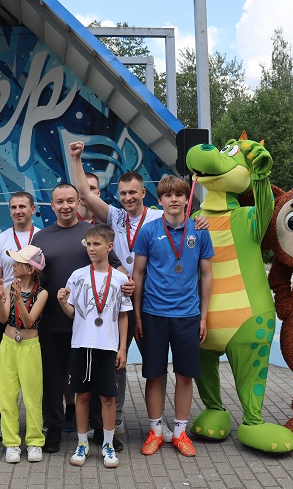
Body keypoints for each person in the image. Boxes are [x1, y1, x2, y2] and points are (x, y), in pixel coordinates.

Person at [69, 140, 210, 441]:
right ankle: (115, 421)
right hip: (116, 300)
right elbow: (84, 193)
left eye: (133, 192)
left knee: (155, 367)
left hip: (151, 302)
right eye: (123, 193)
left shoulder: (158, 218)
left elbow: (186, 222)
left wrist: (201, 219)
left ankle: (165, 425)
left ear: (144, 193)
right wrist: (76, 159)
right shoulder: (115, 216)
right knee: (114, 361)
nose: (128, 198)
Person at [31, 183, 130, 454]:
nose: (65, 206)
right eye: (59, 201)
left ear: (78, 203)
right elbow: (32, 274)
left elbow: (115, 264)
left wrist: (128, 281)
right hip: (53, 319)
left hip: (89, 326)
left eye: (70, 201)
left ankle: (100, 429)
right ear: (52, 205)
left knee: (94, 379)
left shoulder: (91, 233)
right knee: (52, 379)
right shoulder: (40, 237)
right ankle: (53, 427)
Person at [132, 175, 214, 458]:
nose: (174, 199)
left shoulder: (199, 231)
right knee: (154, 374)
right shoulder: (149, 231)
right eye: (168, 195)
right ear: (160, 200)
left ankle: (180, 432)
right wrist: (138, 316)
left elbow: (207, 275)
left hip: (188, 315)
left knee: (185, 375)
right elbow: (138, 274)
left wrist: (203, 317)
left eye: (179, 194)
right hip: (153, 314)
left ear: (186, 199)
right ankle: (155, 430)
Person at [58, 225, 131, 468]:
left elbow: (123, 315)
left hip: (108, 346)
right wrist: (62, 303)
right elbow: (72, 313)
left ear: (109, 247)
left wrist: (122, 348)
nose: (91, 248)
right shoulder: (78, 275)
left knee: (108, 398)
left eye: (96, 244)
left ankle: (108, 444)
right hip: (82, 344)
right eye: (88, 244)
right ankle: (82, 443)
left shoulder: (120, 279)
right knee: (82, 396)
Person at [0, 192, 41, 440]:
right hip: (6, 306)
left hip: (33, 307)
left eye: (22, 206)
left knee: (35, 375)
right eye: (13, 207)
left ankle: (38, 425)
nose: (18, 211)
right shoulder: (0, 239)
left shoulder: (42, 236)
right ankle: (4, 422)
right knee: (5, 374)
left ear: (32, 209)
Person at [0, 245, 49, 464]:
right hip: (8, 345)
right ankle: (11, 443)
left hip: (29, 346)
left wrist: (18, 300)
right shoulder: (9, 287)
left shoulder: (41, 293)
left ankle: (34, 441)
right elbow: (3, 318)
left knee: (32, 396)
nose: (13, 265)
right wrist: (0, 297)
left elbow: (28, 321)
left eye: (18, 263)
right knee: (6, 396)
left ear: (30, 269)